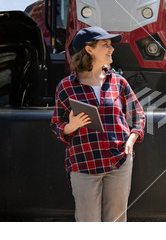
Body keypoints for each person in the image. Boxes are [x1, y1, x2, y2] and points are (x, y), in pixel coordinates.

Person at [50, 26, 146, 222]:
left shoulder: (118, 82)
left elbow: (137, 115)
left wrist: (131, 140)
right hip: (84, 163)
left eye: (111, 45)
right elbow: (56, 124)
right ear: (89, 49)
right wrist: (71, 126)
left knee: (116, 222)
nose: (111, 49)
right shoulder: (66, 87)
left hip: (119, 160)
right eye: (105, 45)